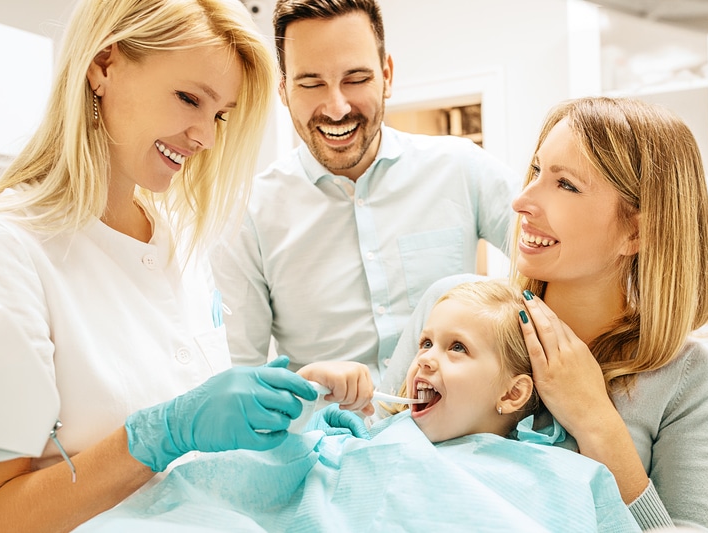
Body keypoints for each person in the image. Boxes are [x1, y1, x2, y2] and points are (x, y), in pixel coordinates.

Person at [0, 1, 332, 531]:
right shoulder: (9, 249)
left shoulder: (181, 239)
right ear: (104, 65)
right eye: (188, 98)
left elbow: (200, 430)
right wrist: (158, 434)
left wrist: (291, 407)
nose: (207, 137)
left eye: (219, 114)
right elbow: (0, 511)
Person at [379, 97, 708, 532]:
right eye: (535, 171)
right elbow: (371, 455)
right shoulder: (450, 311)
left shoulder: (688, 380)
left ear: (635, 232)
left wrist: (595, 421)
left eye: (565, 184)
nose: (522, 201)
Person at [75, 279, 641, 532]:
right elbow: (276, 481)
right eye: (425, 342)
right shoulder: (367, 440)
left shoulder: (558, 475)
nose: (424, 359)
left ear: (513, 394)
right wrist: (309, 403)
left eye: (456, 349)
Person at [210, 0, 520, 381]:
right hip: (326, 436)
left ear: (387, 75)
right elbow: (241, 376)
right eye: (310, 83)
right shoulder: (250, 213)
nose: (337, 108)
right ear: (284, 89)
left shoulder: (462, 169)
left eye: (356, 79)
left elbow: (561, 265)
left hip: (455, 434)